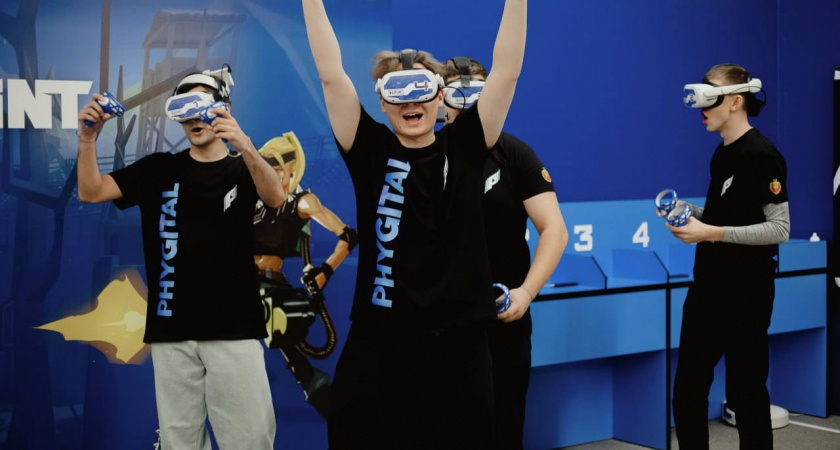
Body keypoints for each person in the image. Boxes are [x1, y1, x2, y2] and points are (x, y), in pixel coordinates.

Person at [301, 0, 527, 447]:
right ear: (383, 102)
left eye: (421, 89)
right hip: (380, 340)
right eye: (397, 92)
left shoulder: (467, 145)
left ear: (440, 97)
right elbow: (330, 74)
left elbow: (506, 73)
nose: (411, 102)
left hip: (460, 343)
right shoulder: (368, 149)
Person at [76, 67, 284, 450]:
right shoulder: (159, 169)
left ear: (224, 108)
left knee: (250, 442)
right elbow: (91, 192)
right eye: (184, 107)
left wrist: (245, 146)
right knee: (178, 444)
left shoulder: (244, 168)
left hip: (234, 330)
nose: (193, 117)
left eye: (201, 104)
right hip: (171, 333)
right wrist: (88, 139)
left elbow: (276, 197)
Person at [441, 56, 568, 450]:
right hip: (441, 319)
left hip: (503, 314)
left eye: (477, 93)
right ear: (440, 98)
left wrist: (526, 292)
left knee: (503, 423)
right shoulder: (424, 154)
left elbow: (555, 230)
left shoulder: (515, 155)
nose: (466, 103)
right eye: (457, 93)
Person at [670, 63, 789, 450]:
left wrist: (711, 233)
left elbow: (779, 229)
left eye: (710, 99)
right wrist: (693, 213)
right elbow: (731, 214)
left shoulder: (763, 155)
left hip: (747, 294)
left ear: (736, 102)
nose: (702, 110)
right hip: (707, 289)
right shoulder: (722, 154)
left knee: (746, 395)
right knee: (687, 392)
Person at [253, 132, 358, 419]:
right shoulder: (254, 203)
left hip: (269, 286)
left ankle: (329, 405)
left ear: (289, 169)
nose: (268, 176)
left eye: (275, 169)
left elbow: (348, 236)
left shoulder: (301, 202)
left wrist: (325, 271)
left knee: (293, 355)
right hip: (242, 286)